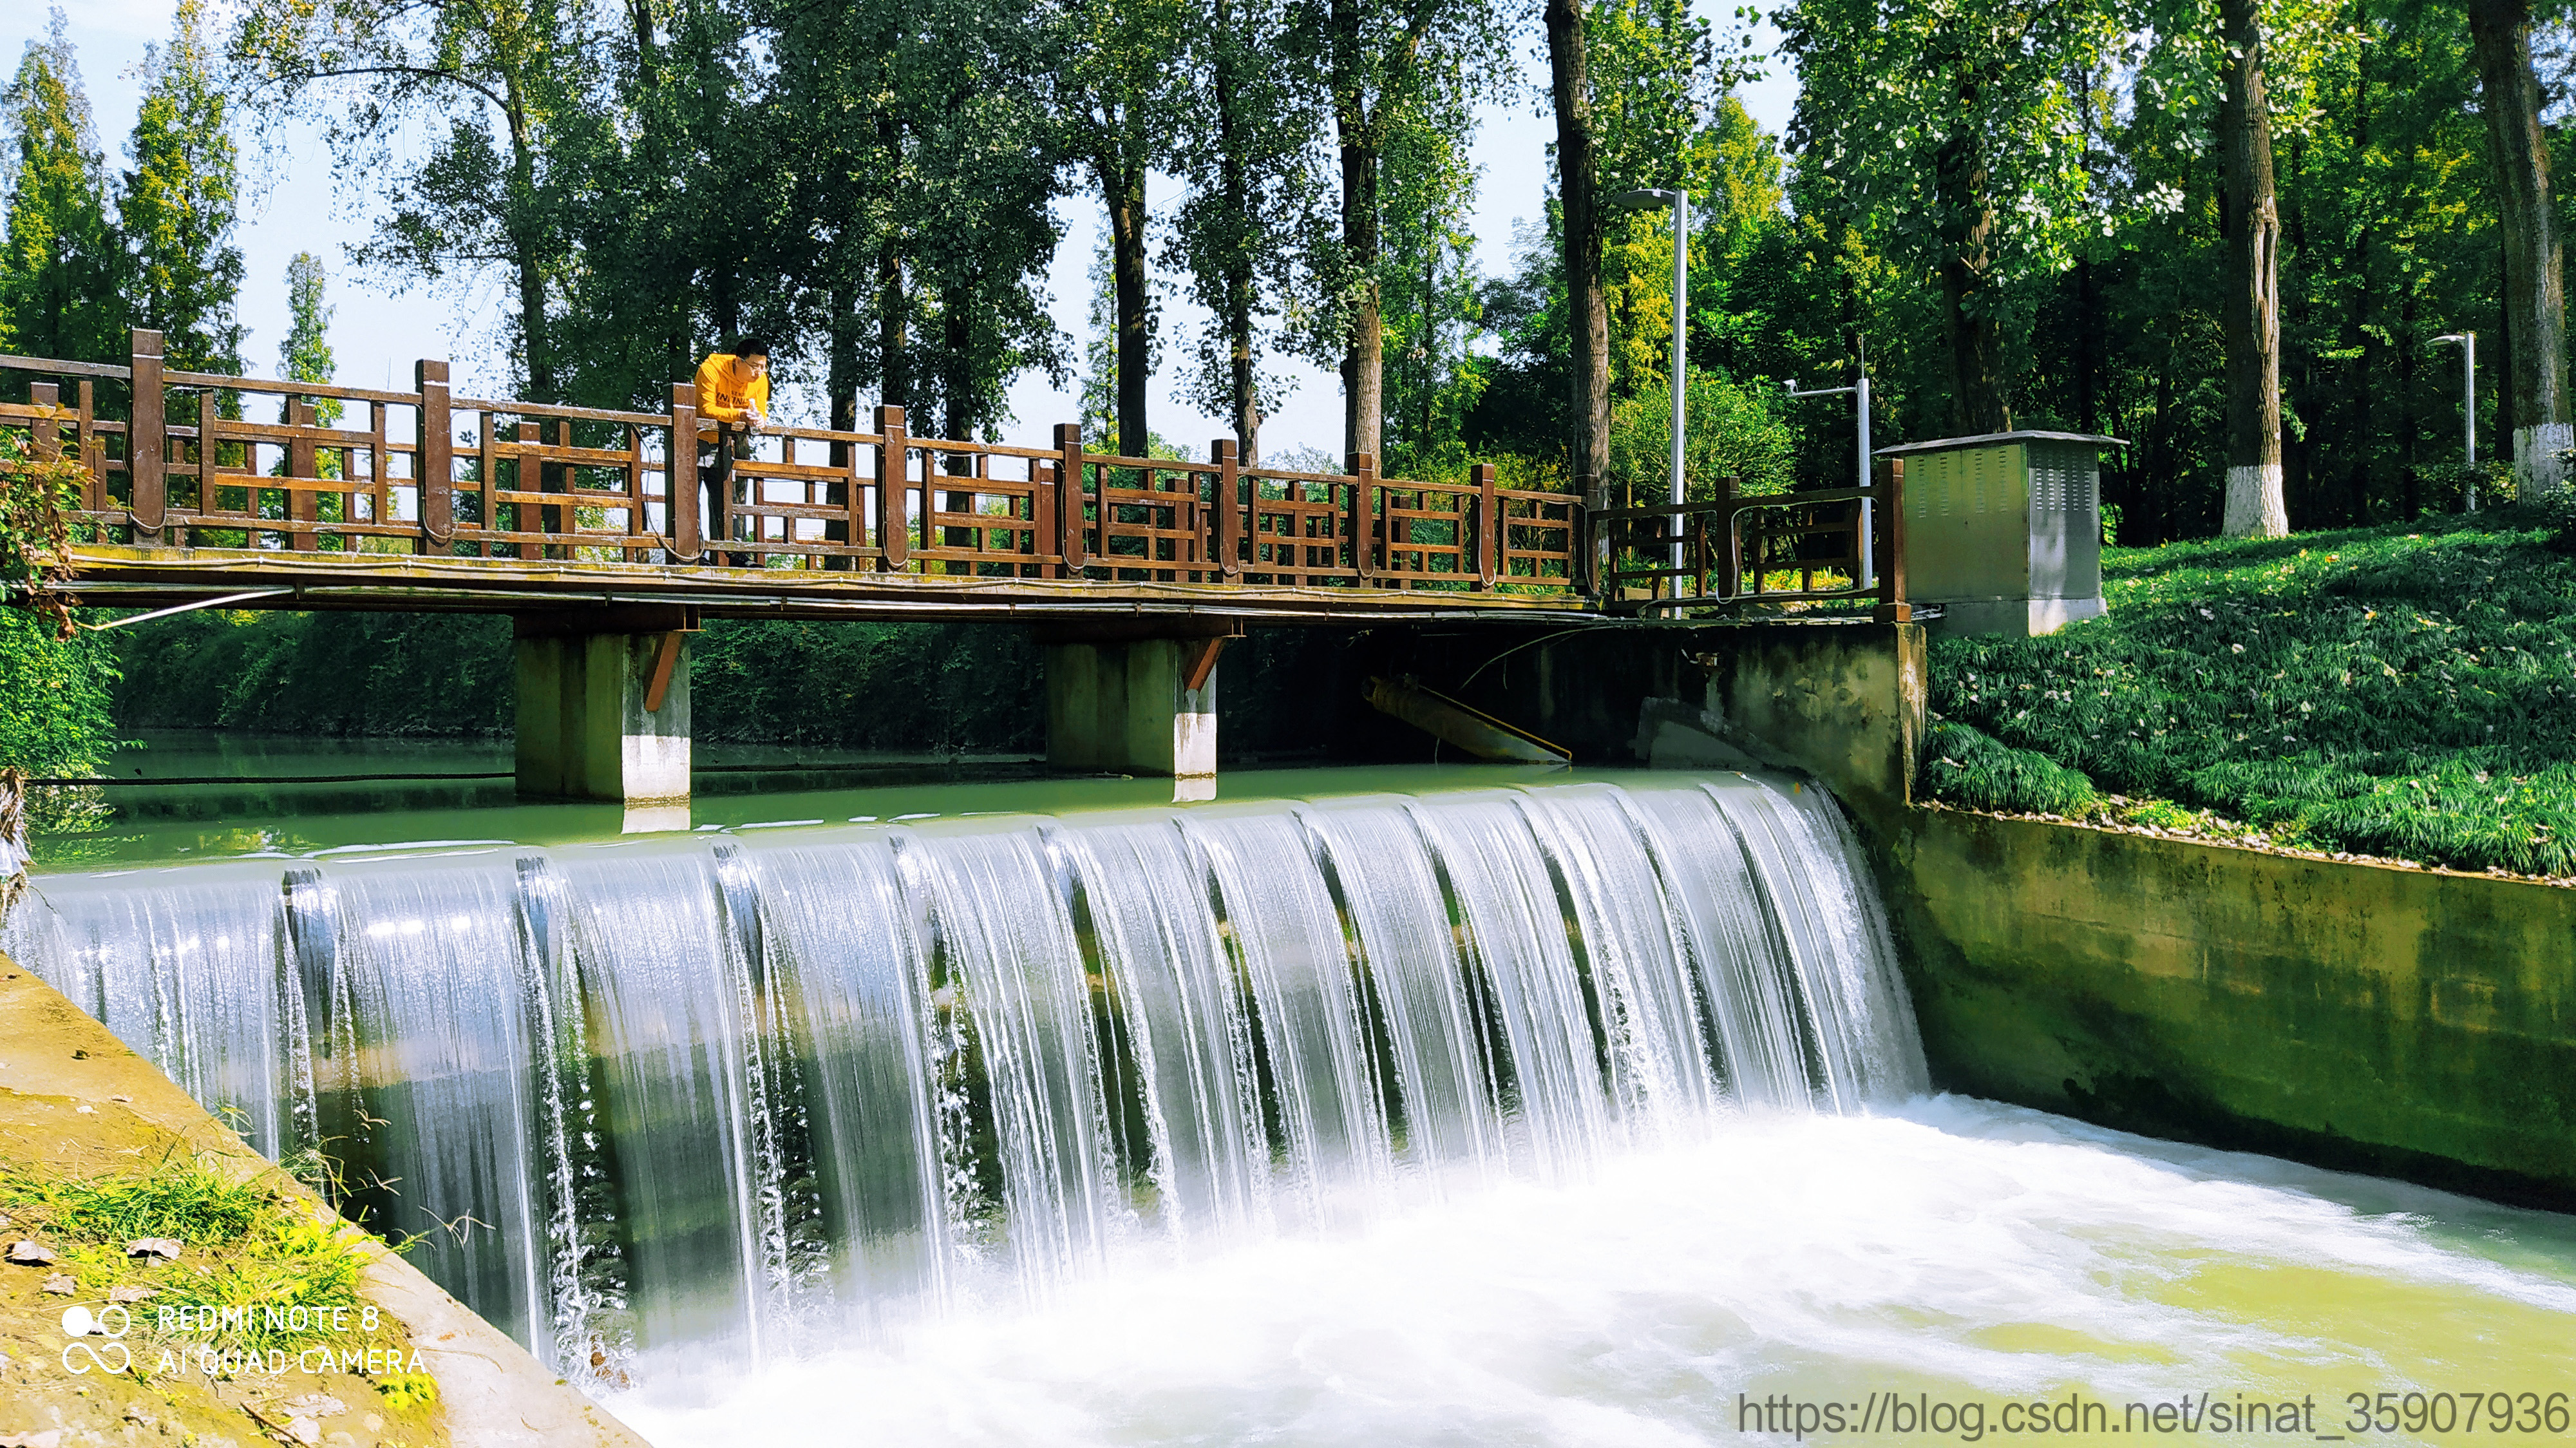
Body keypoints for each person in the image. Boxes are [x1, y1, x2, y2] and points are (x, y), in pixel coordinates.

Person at [691, 338, 772, 559]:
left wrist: (759, 420)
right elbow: (706, 409)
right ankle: (695, 556)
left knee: (727, 500)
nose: (759, 372)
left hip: (724, 444)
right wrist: (739, 414)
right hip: (694, 442)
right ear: (739, 361)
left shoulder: (761, 380)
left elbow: (761, 412)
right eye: (755, 366)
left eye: (764, 366)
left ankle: (737, 556)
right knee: (690, 500)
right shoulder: (711, 369)